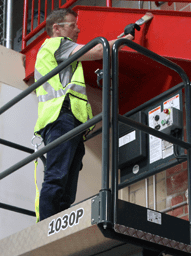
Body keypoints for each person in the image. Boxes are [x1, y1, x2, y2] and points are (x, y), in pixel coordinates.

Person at [34, 8, 135, 222]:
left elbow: (95, 49)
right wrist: (124, 40)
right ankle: (47, 226)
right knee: (58, 176)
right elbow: (98, 51)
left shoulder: (53, 51)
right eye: (72, 25)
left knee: (66, 178)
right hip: (61, 116)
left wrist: (116, 40)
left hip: (66, 120)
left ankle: (55, 221)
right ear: (57, 28)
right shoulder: (57, 44)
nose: (77, 29)